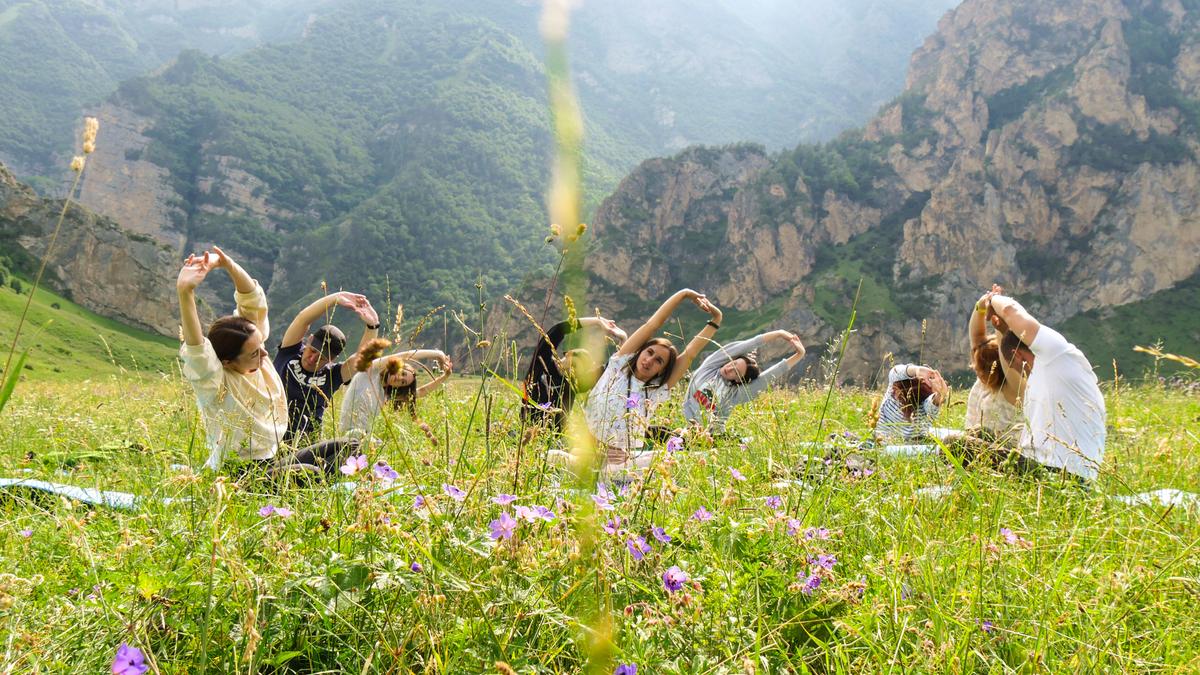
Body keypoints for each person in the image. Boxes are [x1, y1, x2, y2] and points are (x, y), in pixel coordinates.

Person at [176, 247, 356, 475]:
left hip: (275, 457)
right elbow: (197, 349)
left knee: (351, 447)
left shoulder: (255, 352)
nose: (265, 354)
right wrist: (185, 292)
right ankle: (319, 488)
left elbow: (253, 302)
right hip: (240, 472)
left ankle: (320, 483)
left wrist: (227, 264)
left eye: (261, 344)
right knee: (308, 472)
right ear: (228, 362)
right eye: (254, 353)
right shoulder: (216, 382)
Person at [583, 288, 722, 470]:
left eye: (659, 361)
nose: (649, 360)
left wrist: (716, 319)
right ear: (640, 351)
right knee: (555, 458)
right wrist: (684, 294)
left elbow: (690, 353)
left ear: (662, 370)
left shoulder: (655, 391)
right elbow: (652, 324)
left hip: (620, 463)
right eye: (649, 352)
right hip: (586, 450)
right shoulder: (619, 365)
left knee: (682, 462)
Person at [986, 292, 1106, 481]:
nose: (1021, 375)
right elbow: (1013, 333)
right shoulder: (1053, 372)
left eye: (1016, 368)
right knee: (980, 435)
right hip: (1063, 474)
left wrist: (991, 298)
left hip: (1056, 474)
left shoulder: (1054, 353)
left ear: (1018, 356)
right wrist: (1002, 330)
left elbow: (1010, 310)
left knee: (955, 444)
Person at [274, 292, 379, 443]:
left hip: (305, 443)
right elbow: (302, 319)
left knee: (350, 445)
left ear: (332, 359)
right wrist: (335, 298)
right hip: (269, 432)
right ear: (309, 340)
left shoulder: (333, 375)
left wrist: (372, 325)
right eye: (312, 351)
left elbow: (362, 358)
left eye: (321, 358)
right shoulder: (289, 351)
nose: (312, 359)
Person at [683, 329, 806, 435]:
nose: (730, 368)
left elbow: (767, 377)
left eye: (736, 372)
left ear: (738, 380)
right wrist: (779, 333)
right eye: (734, 363)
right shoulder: (710, 367)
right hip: (685, 429)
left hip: (711, 438)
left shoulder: (734, 394)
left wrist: (799, 355)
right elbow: (748, 345)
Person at [521, 316, 627, 432]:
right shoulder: (541, 363)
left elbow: (610, 368)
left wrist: (623, 340)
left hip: (554, 440)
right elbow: (557, 330)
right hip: (526, 430)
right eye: (578, 364)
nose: (578, 370)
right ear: (569, 354)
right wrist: (597, 321)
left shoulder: (573, 384)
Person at [338, 339, 453, 437]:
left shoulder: (387, 395)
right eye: (402, 373)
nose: (399, 379)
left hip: (364, 437)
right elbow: (406, 355)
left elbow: (420, 392)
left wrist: (445, 377)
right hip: (349, 435)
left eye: (403, 382)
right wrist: (438, 354)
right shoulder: (372, 370)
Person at [965, 287, 1023, 442]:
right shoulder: (1012, 387)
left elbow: (978, 337)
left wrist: (988, 306)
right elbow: (978, 336)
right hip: (986, 454)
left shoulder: (1009, 387)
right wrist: (986, 305)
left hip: (991, 456)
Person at [874, 363, 949, 442]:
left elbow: (932, 406)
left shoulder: (924, 402)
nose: (927, 380)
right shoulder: (893, 391)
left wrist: (940, 395)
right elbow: (896, 372)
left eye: (932, 378)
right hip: (886, 444)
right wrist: (917, 370)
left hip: (907, 448)